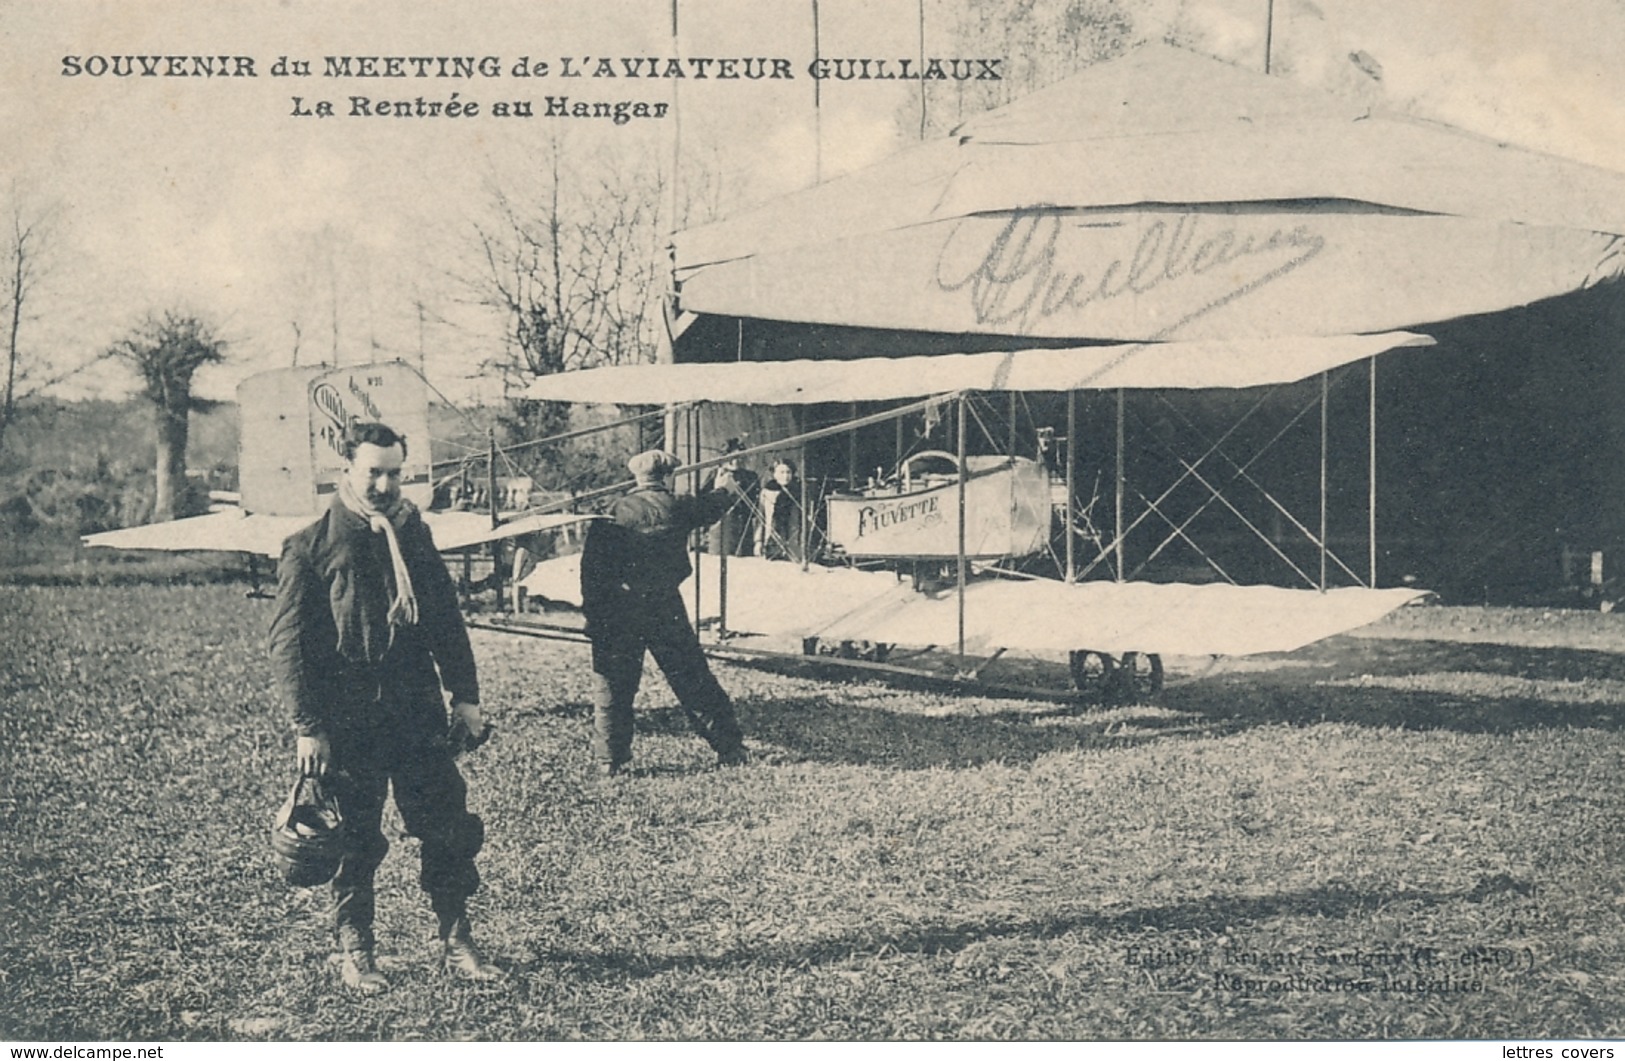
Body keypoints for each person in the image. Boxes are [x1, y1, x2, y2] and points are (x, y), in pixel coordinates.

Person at [268, 421, 500, 994]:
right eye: (374, 471)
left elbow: (445, 619)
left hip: (415, 712)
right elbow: (288, 645)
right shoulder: (312, 545)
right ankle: (357, 949)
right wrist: (309, 727)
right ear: (345, 469)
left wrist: (465, 696)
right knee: (354, 840)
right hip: (349, 720)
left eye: (394, 472)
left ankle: (457, 940)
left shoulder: (413, 533)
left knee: (446, 825)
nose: (384, 483)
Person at [579, 449, 749, 776]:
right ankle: (730, 748)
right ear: (668, 476)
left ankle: (609, 760)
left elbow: (592, 570)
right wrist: (726, 484)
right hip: (663, 605)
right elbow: (712, 506)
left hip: (617, 609)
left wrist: (595, 615)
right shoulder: (678, 506)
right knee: (692, 678)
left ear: (636, 477)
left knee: (613, 686)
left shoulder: (611, 511)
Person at [707, 438, 759, 558]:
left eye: (739, 457)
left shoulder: (750, 476)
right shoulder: (715, 474)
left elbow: (755, 504)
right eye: (731, 457)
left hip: (744, 526)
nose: (735, 461)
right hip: (722, 526)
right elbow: (706, 499)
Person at [757, 459, 807, 563]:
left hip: (794, 542)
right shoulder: (767, 491)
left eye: (788, 472)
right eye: (781, 472)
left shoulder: (799, 492)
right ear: (774, 474)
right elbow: (760, 518)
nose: (785, 476)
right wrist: (758, 541)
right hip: (771, 538)